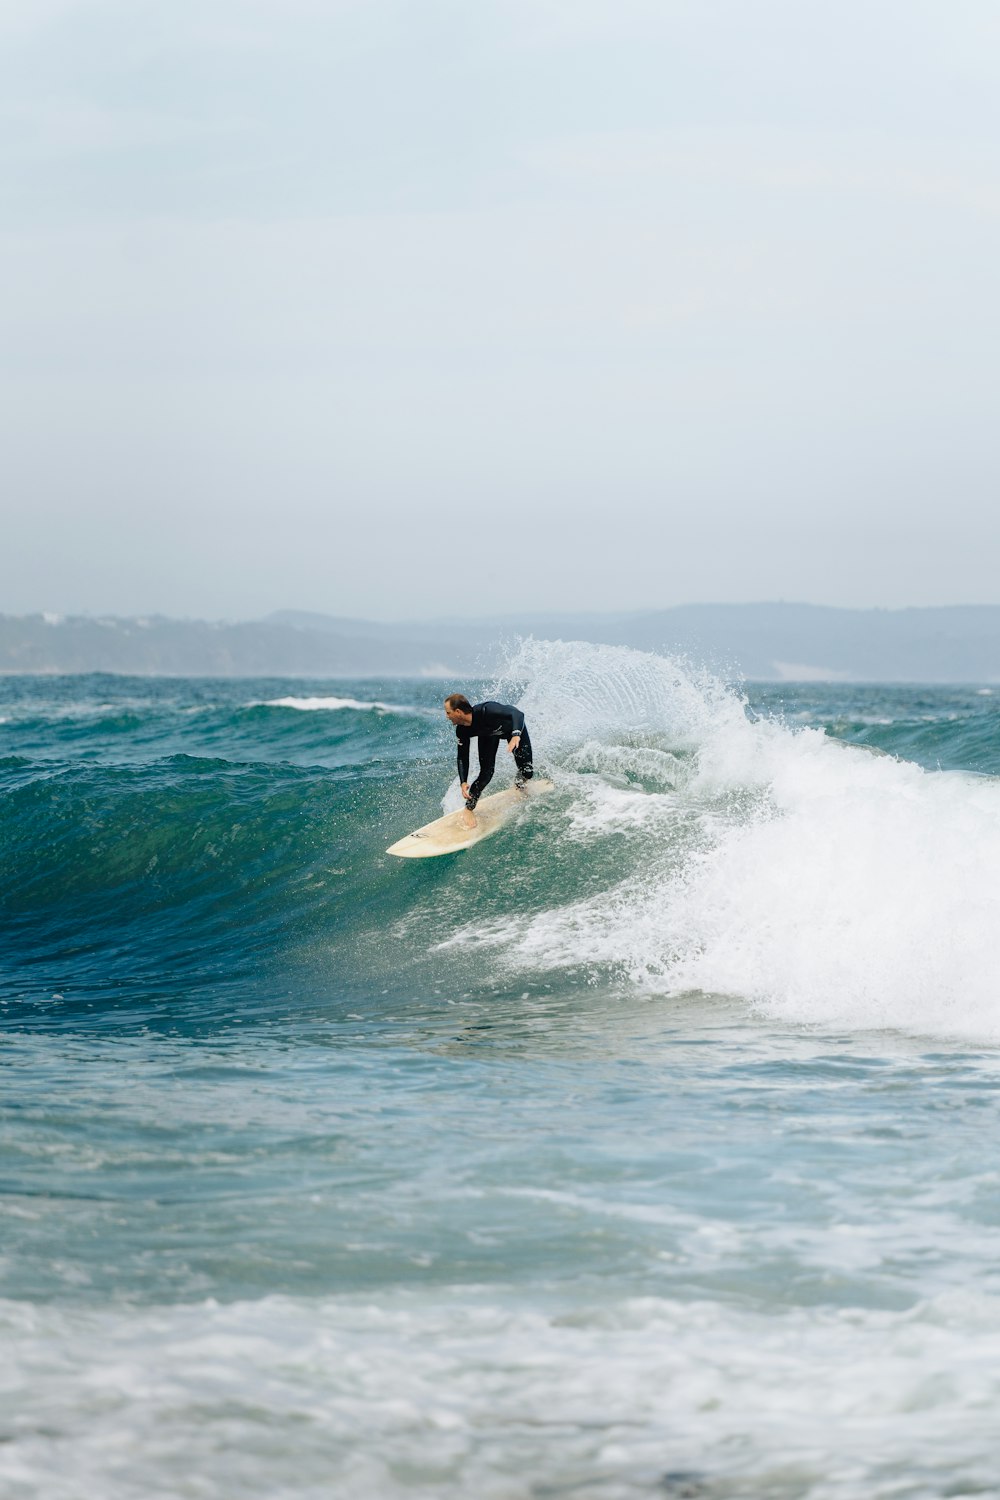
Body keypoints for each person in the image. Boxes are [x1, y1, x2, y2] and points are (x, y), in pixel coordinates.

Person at [443, 694, 534, 826]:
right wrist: (463, 781)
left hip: (515, 731)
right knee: (486, 773)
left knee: (527, 771)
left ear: (458, 712)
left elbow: (518, 714)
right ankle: (469, 809)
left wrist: (515, 734)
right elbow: (462, 756)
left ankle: (520, 785)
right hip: (488, 735)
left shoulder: (487, 710)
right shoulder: (462, 730)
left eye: (448, 713)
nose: (447, 716)